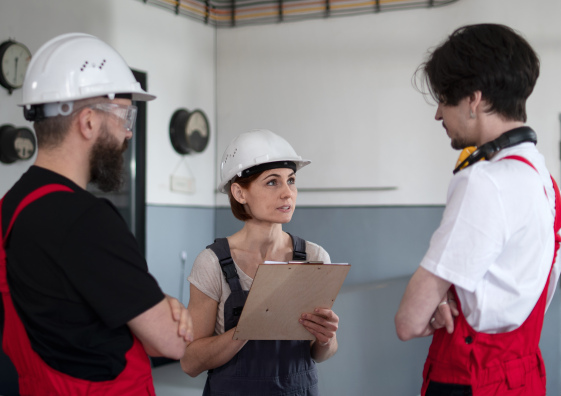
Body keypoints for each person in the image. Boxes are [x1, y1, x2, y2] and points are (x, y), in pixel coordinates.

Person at [0, 33, 193, 395]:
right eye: (124, 116)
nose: (128, 133)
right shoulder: (87, 221)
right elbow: (171, 343)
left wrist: (153, 307)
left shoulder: (10, 208)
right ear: (87, 122)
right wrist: (163, 304)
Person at [394, 24, 561, 396]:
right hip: (524, 376)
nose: (438, 114)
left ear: (473, 99)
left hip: (473, 379)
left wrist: (433, 301)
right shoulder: (545, 182)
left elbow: (408, 322)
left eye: (443, 99)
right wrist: (448, 297)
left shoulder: (485, 181)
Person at [181, 129, 339, 395]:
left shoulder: (314, 258)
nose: (288, 193)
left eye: (291, 180)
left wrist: (327, 337)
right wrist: (245, 330)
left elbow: (322, 353)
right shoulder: (212, 263)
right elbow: (190, 362)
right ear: (239, 193)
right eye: (272, 182)